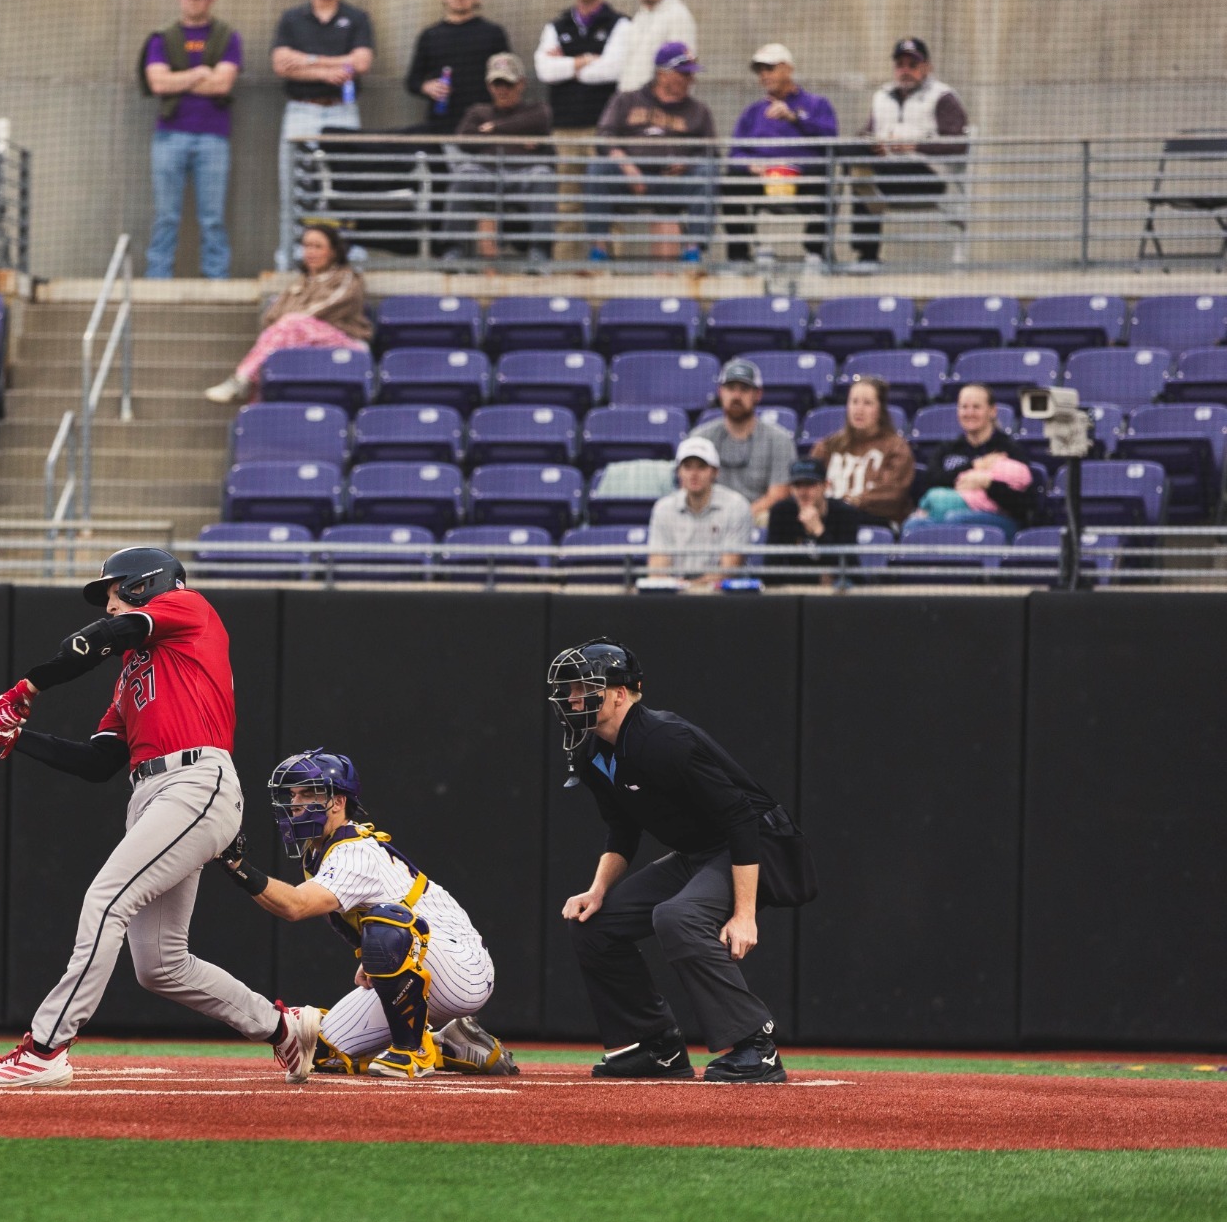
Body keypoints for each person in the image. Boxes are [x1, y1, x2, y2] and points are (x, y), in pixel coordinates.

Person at [0, 548, 323, 1090]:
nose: (106, 603)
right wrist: (17, 737)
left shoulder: (186, 607)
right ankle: (282, 1028)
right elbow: (99, 761)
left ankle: (46, 1047)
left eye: (112, 589)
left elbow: (96, 640)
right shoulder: (132, 673)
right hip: (152, 792)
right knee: (161, 965)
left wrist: (27, 687)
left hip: (196, 780)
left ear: (145, 584)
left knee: (105, 900)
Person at [552, 637, 814, 1083]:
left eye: (582, 688)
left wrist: (744, 914)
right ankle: (659, 1047)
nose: (571, 698)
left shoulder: (663, 739)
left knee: (677, 916)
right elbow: (623, 832)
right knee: (595, 924)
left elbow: (741, 817)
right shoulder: (593, 751)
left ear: (618, 694)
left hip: (760, 844)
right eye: (569, 689)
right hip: (703, 853)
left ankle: (757, 1044)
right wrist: (597, 891)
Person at [215, 748, 519, 1080]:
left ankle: (413, 1051)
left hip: (462, 967)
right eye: (292, 793)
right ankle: (452, 1046)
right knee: (321, 1052)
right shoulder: (318, 853)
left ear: (338, 802)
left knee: (385, 930)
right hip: (426, 956)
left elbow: (295, 906)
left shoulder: (353, 851)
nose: (295, 802)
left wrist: (239, 868)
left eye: (308, 792)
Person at [270, 0, 376, 270]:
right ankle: (290, 257)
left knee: (345, 185)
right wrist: (327, 69)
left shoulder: (356, 18)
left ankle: (347, 255)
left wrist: (306, 59)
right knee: (295, 183)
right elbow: (280, 64)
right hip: (301, 109)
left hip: (342, 108)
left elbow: (361, 62)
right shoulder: (292, 18)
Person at [142, 0, 243, 281]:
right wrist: (199, 73)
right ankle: (158, 277)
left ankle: (216, 277)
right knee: (166, 215)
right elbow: (157, 82)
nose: (194, 1)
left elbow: (222, 85)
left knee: (212, 216)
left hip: (213, 137)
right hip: (170, 135)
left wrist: (179, 79)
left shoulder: (227, 37)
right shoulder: (161, 37)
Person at [204, 223, 370, 404]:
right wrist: (289, 322)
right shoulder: (298, 284)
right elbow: (271, 318)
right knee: (277, 350)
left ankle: (241, 379)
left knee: (291, 323)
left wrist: (293, 319)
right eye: (307, 246)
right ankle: (254, 405)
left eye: (318, 246)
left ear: (333, 251)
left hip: (346, 345)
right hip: (306, 344)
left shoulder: (346, 277)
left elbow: (330, 306)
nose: (311, 252)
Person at [586, 41, 715, 262]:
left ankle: (694, 249)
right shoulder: (626, 100)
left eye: (691, 74)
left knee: (705, 172)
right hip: (629, 177)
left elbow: (710, 151)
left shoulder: (698, 111)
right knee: (597, 168)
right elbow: (604, 135)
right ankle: (599, 248)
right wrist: (626, 166)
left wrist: (687, 163)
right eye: (683, 74)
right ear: (662, 74)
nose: (690, 79)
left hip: (673, 181)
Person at [534, 0, 631, 256]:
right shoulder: (557, 25)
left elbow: (612, 69)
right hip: (564, 127)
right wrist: (586, 60)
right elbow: (545, 70)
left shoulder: (620, 24)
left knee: (608, 200)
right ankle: (566, 274)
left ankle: (611, 274)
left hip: (605, 129)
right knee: (567, 205)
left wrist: (567, 65)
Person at [850, 38, 969, 270]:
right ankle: (866, 257)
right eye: (900, 65)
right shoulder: (882, 96)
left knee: (864, 172)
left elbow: (958, 144)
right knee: (856, 161)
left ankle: (866, 255)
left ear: (926, 67)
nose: (905, 71)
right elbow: (867, 132)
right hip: (887, 171)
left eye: (912, 65)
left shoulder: (943, 97)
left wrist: (913, 146)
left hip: (929, 176)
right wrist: (873, 145)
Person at [721, 44, 837, 268]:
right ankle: (739, 257)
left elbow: (830, 140)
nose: (764, 75)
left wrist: (795, 118)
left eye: (770, 68)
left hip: (803, 177)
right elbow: (735, 153)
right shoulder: (753, 112)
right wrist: (751, 166)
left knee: (825, 175)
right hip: (763, 178)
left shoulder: (816, 104)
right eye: (760, 70)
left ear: (787, 69)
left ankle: (816, 252)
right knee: (730, 181)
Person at [443, 53, 555, 262]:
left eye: (508, 84)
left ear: (521, 84)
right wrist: (516, 134)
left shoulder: (536, 109)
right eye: (497, 84)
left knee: (544, 175)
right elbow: (463, 139)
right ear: (489, 86)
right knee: (465, 173)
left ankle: (540, 250)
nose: (502, 90)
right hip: (487, 172)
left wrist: (494, 129)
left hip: (525, 172)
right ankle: (452, 249)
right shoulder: (478, 112)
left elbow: (540, 120)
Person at [906, 383, 1033, 537]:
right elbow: (930, 482)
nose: (969, 413)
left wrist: (987, 483)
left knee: (956, 520)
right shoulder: (948, 449)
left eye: (976, 407)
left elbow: (1025, 503)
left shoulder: (1008, 449)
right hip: (946, 512)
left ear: (992, 411)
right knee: (913, 525)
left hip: (998, 519)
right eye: (964, 407)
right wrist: (973, 466)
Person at [405, 0, 511, 137]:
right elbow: (412, 81)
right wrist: (427, 87)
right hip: (441, 124)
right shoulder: (430, 35)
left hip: (483, 124)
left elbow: (508, 77)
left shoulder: (493, 33)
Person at [692, 356, 794, 521]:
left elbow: (778, 495)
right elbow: (689, 488)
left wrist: (738, 519)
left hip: (757, 518)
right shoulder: (701, 438)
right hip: (708, 517)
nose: (736, 396)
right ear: (720, 392)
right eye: (730, 388)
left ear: (758, 394)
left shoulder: (779, 440)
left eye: (744, 389)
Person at [646, 435, 752, 585]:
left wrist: (688, 586)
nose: (694, 474)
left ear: (715, 472)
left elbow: (728, 571)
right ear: (678, 472)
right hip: (674, 597)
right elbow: (657, 571)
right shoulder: (664, 508)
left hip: (722, 597)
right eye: (687, 467)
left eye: (701, 467)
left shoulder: (736, 506)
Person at [812, 375, 915, 526]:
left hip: (873, 521)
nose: (859, 410)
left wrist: (857, 501)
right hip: (826, 520)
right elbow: (808, 481)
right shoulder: (827, 446)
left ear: (880, 409)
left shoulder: (896, 448)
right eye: (854, 402)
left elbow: (893, 494)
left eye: (867, 403)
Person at [763, 457, 881, 576]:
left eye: (810, 485)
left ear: (826, 485)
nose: (803, 492)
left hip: (836, 591)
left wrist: (819, 531)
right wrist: (816, 579)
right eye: (797, 486)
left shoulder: (845, 513)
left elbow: (849, 569)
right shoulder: (781, 513)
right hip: (793, 589)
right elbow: (770, 567)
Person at [615, 0, 696, 94]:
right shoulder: (641, 16)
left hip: (657, 108)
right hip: (632, 103)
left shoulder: (677, 16)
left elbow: (680, 72)